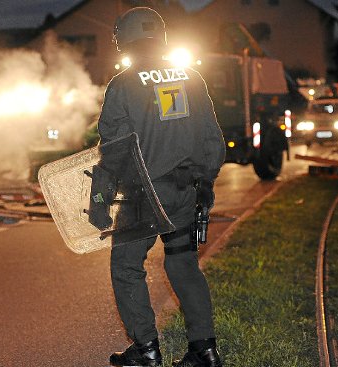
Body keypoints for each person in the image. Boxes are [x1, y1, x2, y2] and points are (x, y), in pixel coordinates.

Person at [96, 7, 226, 367]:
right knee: (183, 265)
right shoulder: (192, 77)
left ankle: (146, 351)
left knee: (126, 267)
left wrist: (100, 199)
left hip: (142, 197)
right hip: (184, 191)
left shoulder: (123, 84)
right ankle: (204, 351)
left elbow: (113, 150)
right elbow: (212, 137)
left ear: (125, 38)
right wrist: (205, 184)